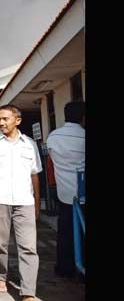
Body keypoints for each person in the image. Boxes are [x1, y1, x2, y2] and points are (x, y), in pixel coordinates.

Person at [0, 104, 47, 301]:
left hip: (25, 201)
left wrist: (36, 203)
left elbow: (35, 175)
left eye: (5, 119)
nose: (1, 122)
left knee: (28, 247)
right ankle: (1, 277)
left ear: (17, 120)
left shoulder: (29, 144)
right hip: (0, 201)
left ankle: (28, 293)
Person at [46, 101, 85, 279]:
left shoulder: (53, 137)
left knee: (65, 233)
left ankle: (65, 268)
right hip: (83, 194)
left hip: (65, 194)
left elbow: (52, 160)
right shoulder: (84, 136)